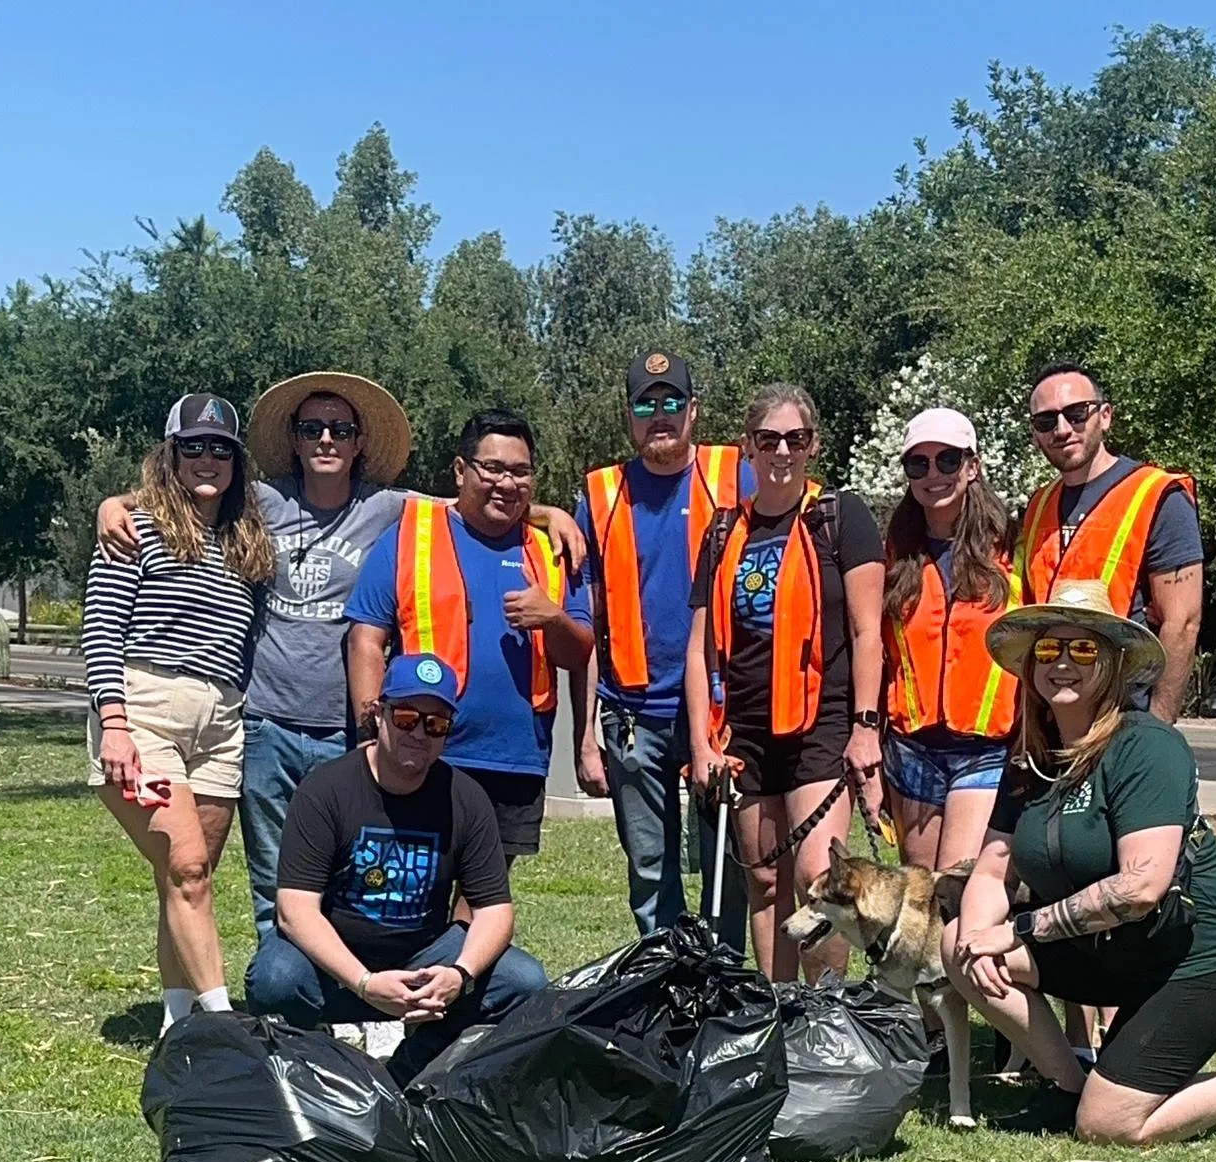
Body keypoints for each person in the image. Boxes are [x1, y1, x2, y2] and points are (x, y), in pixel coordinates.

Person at [95, 372, 588, 944]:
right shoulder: (259, 500)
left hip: (342, 731)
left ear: (359, 444)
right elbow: (189, 487)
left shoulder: (391, 508)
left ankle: (342, 989)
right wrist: (117, 502)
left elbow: (476, 503)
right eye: (312, 429)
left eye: (340, 429)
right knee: (273, 876)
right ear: (296, 441)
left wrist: (551, 514)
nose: (326, 439)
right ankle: (281, 995)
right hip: (265, 723)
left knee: (348, 876)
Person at [942, 579, 1216, 1144]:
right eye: (1048, 650)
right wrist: (981, 936)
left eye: (1082, 649)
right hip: (1115, 949)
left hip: (1202, 951)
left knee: (1112, 1127)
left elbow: (1141, 887)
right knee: (959, 940)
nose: (1063, 663)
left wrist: (1019, 928)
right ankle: (1069, 1086)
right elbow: (991, 867)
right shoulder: (1031, 759)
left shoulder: (1145, 747)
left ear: (1111, 664)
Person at [245, 653, 547, 1075]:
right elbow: (294, 911)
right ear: (379, 714)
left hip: (424, 954)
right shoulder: (325, 789)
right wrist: (365, 983)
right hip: (336, 959)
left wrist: (460, 974)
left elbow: (495, 911)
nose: (419, 732)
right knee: (274, 977)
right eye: (406, 717)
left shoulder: (465, 798)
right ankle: (314, 1075)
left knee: (524, 982)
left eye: (435, 724)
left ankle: (408, 1072)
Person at [81, 394, 274, 1035]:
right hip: (147, 708)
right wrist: (113, 722)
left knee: (187, 877)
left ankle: (176, 1022)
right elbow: (102, 627)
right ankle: (222, 1033)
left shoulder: (247, 535)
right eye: (192, 445)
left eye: (221, 447)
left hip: (222, 720)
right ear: (169, 453)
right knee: (188, 867)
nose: (207, 458)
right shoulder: (133, 523)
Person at [685, 383, 885, 981]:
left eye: (795, 439)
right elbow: (699, 649)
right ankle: (779, 1014)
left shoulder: (839, 518)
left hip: (819, 723)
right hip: (744, 729)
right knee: (766, 881)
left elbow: (868, 632)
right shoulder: (723, 533)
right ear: (748, 447)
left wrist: (866, 729)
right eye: (768, 439)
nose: (781, 452)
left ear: (812, 445)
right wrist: (701, 745)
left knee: (817, 880)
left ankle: (822, 1016)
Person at [345, 410, 595, 865]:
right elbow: (365, 638)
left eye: (520, 472)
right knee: (412, 885)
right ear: (461, 471)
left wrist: (552, 619)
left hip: (514, 758)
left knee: (484, 897)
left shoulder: (552, 551)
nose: (507, 483)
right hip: (422, 748)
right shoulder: (409, 537)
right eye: (493, 469)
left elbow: (578, 654)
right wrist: (371, 729)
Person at [572, 349, 751, 950]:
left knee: (728, 863)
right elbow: (586, 617)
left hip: (722, 709)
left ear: (693, 410)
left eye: (671, 401)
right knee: (650, 868)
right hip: (631, 713)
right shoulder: (599, 494)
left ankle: (721, 980)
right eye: (645, 404)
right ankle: (666, 980)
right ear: (629, 417)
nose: (659, 415)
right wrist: (584, 735)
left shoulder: (737, 473)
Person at [1021, 363, 1203, 725]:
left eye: (1076, 414)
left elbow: (1182, 622)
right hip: (1053, 717)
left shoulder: (1156, 495)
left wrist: (1157, 728)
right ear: (1035, 433)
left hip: (1124, 716)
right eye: (1046, 421)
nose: (1061, 429)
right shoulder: (1038, 505)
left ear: (1105, 416)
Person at [883, 407, 1022, 874]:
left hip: (984, 749)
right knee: (919, 896)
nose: (933, 474)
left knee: (956, 889)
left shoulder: (1013, 549)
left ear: (972, 466)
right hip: (910, 750)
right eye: (917, 464)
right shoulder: (894, 554)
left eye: (947, 460)